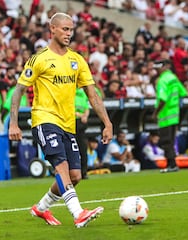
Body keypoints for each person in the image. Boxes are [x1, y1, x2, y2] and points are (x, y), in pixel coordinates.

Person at [8, 13, 113, 228]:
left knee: (75, 176)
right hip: (44, 120)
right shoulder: (40, 59)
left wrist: (107, 123)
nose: (69, 34)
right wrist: (13, 123)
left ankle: (41, 208)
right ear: (52, 29)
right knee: (62, 167)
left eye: (71, 30)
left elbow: (93, 95)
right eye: (65, 29)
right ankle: (78, 213)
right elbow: (18, 91)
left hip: (68, 124)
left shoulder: (77, 60)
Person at [151, 59, 187, 173]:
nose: (157, 70)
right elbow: (183, 92)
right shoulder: (173, 78)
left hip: (165, 115)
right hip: (175, 114)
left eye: (157, 68)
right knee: (170, 141)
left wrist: (155, 113)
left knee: (166, 141)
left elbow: (162, 99)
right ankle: (172, 164)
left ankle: (171, 165)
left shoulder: (162, 80)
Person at [75, 88, 90, 179]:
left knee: (83, 148)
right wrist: (81, 115)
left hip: (81, 123)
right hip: (71, 122)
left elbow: (86, 108)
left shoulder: (82, 92)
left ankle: (84, 172)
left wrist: (85, 116)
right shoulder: (68, 90)